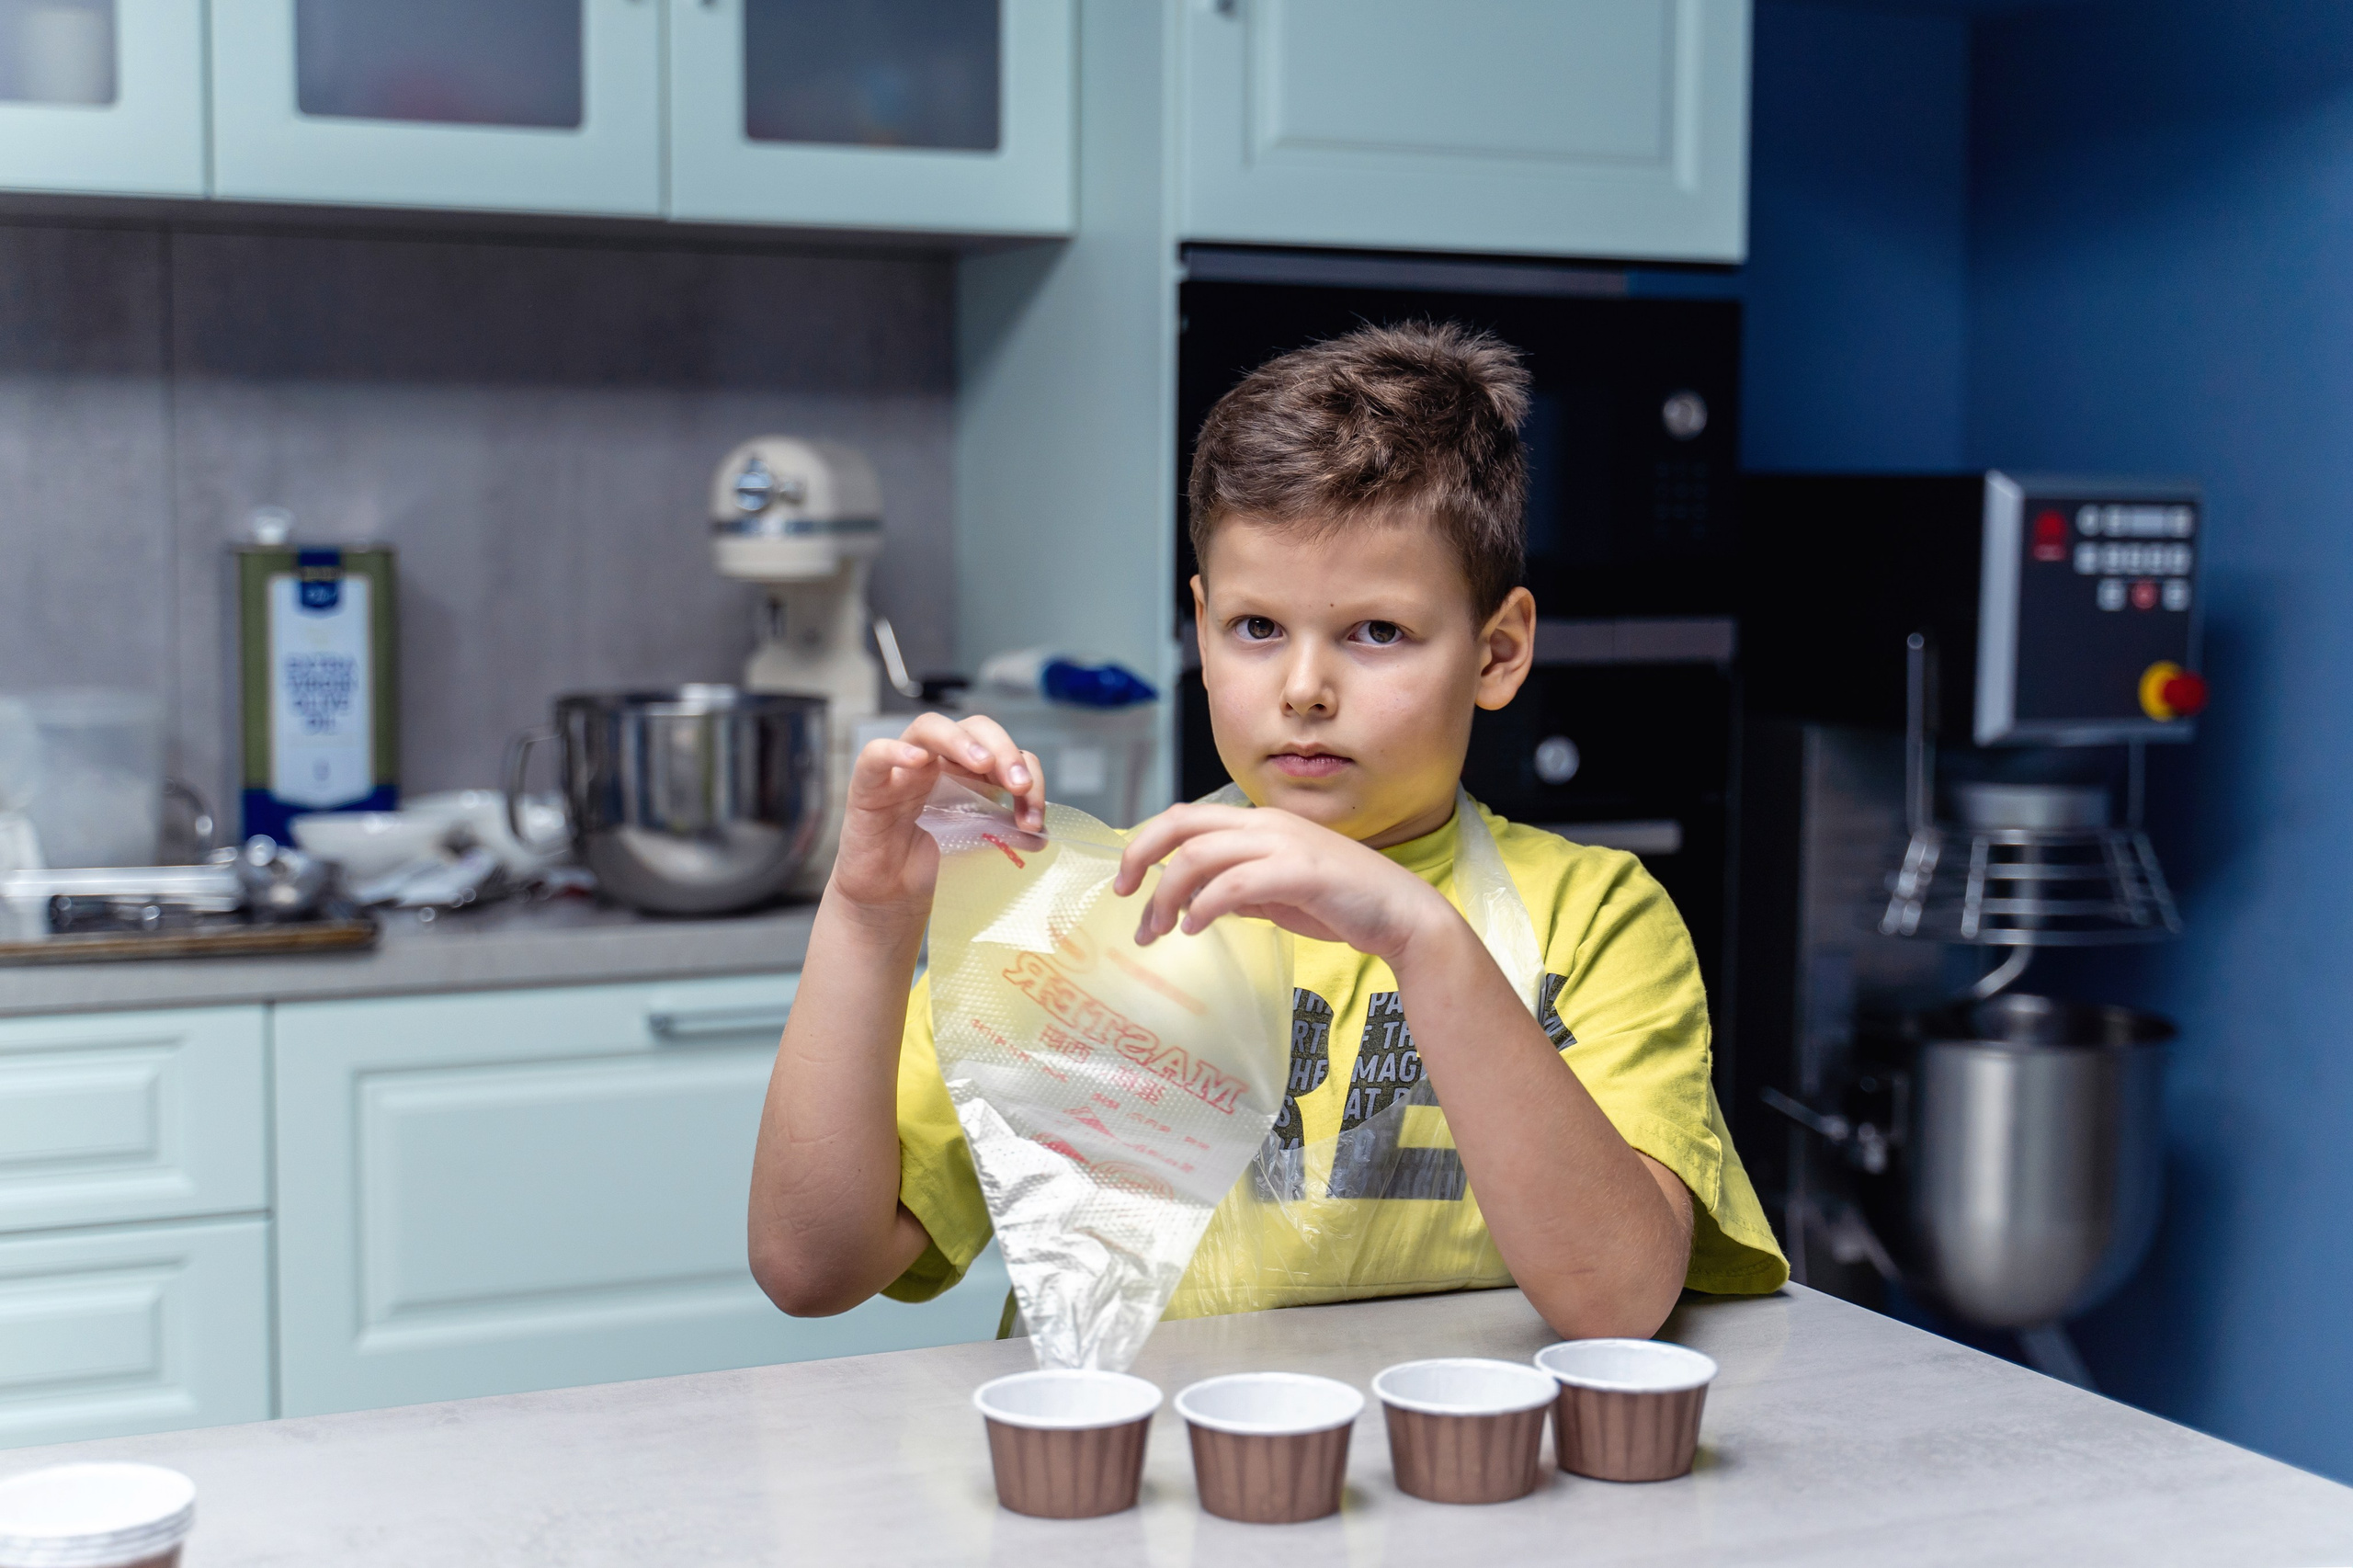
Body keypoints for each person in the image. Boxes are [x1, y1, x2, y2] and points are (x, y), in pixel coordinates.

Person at [747, 321, 1786, 1341]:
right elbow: (812, 1266)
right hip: (1128, 1487)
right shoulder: (1082, 923)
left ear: (1498, 650)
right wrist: (868, 918)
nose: (1302, 690)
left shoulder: (1595, 917)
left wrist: (1420, 935)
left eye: (1376, 631)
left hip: (1457, 1484)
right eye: (1256, 629)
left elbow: (1618, 1302)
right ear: (1200, 629)